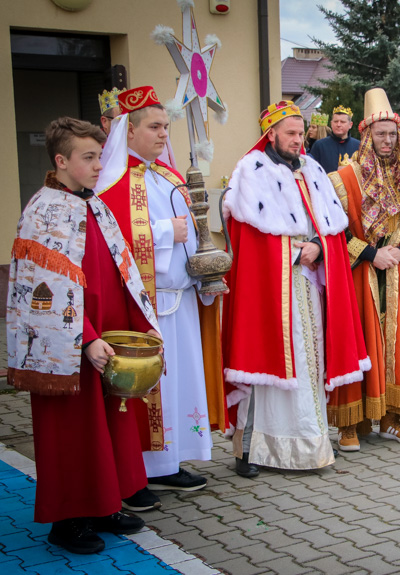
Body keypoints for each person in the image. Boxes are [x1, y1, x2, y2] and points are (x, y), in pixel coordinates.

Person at [7, 117, 161, 553]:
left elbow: (121, 268)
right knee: (71, 432)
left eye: (98, 155)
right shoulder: (42, 212)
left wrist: (141, 323)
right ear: (61, 160)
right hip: (69, 346)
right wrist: (87, 338)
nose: (98, 165)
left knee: (108, 426)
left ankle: (104, 504)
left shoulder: (93, 203)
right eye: (88, 157)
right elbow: (47, 288)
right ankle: (68, 519)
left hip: (109, 337)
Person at [221, 101, 369, 475]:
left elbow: (330, 231)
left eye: (301, 133)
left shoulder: (313, 170)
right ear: (270, 134)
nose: (297, 140)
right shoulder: (251, 173)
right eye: (290, 133)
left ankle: (309, 445)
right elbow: (247, 241)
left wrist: (319, 246)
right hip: (271, 289)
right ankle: (249, 449)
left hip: (309, 287)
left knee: (308, 363)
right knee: (265, 367)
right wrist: (291, 252)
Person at [95, 86, 222, 511]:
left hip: (180, 298)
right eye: (154, 127)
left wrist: (207, 271)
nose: (163, 134)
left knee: (179, 383)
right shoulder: (114, 181)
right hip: (146, 304)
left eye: (166, 126)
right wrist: (167, 231)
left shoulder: (166, 175)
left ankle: (167, 463)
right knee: (150, 388)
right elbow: (114, 240)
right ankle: (139, 470)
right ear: (128, 132)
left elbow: (197, 228)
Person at [327, 88, 400, 451]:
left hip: (398, 276)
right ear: (366, 136)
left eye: (394, 134)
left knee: (397, 345)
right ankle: (350, 423)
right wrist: (372, 254)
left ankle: (391, 417)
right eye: (381, 134)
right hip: (357, 275)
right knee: (357, 342)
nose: (388, 141)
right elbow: (331, 232)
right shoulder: (341, 180)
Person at [308, 105, 360, 174]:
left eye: (342, 122)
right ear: (331, 124)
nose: (338, 124)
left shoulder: (359, 146)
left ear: (350, 125)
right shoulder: (319, 145)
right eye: (336, 121)